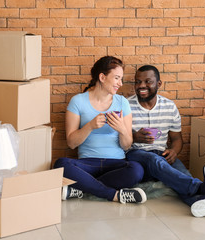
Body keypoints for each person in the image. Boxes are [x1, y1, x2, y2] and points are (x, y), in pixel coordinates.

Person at [125, 65, 205, 217]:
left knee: (183, 175)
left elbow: (177, 139)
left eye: (147, 82)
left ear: (159, 84)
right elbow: (118, 136)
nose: (141, 86)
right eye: (138, 82)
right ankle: (202, 188)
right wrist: (134, 137)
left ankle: (201, 203)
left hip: (162, 152)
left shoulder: (169, 107)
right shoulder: (125, 105)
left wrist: (174, 151)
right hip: (135, 154)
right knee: (154, 159)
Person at [54, 56, 147, 204]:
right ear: (102, 77)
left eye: (121, 79)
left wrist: (122, 129)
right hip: (86, 164)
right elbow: (71, 143)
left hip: (116, 164)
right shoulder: (78, 101)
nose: (120, 84)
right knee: (61, 164)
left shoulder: (122, 102)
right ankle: (113, 195)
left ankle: (82, 188)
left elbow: (127, 145)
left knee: (137, 170)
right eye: (117, 78)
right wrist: (89, 126)